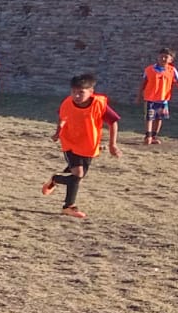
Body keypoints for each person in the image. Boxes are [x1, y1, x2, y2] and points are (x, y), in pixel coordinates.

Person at [43, 73, 122, 219]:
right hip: (70, 142)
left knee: (77, 176)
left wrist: (112, 145)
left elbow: (113, 122)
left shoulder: (99, 104)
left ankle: (56, 179)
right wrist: (57, 132)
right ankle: (69, 207)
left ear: (91, 92)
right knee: (78, 174)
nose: (76, 96)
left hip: (89, 145)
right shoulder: (67, 103)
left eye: (81, 92)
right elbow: (62, 117)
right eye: (73, 92)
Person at [140, 47, 178, 144]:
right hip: (150, 99)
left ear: (171, 60)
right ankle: (147, 136)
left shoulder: (172, 70)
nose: (163, 59)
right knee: (150, 117)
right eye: (161, 57)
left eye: (166, 57)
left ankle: (154, 136)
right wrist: (139, 95)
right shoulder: (149, 69)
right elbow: (143, 83)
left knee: (159, 118)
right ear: (158, 57)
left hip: (163, 99)